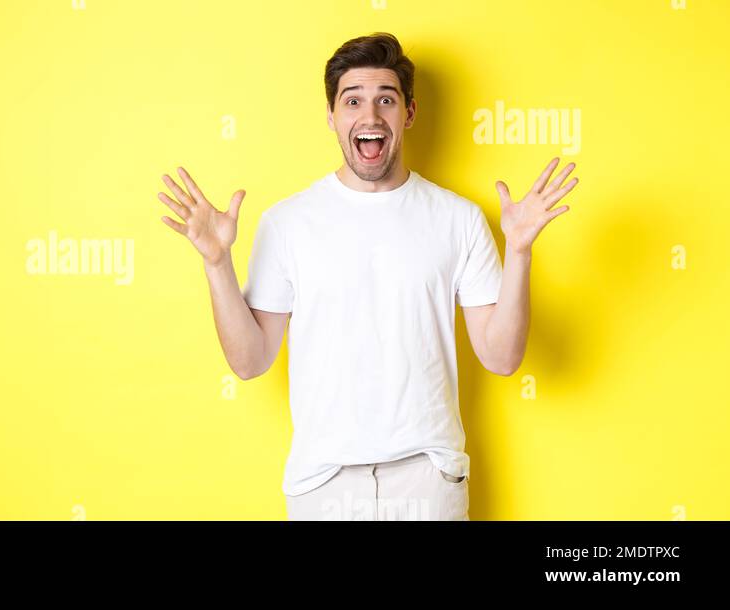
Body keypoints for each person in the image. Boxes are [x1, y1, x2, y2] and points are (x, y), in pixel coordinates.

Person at [155, 32, 578, 520]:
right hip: (323, 484)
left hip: (428, 478)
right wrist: (216, 262)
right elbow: (250, 362)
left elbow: (502, 357)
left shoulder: (458, 219)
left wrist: (520, 252)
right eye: (352, 101)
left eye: (386, 100)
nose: (370, 116)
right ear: (332, 116)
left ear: (410, 114)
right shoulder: (287, 222)